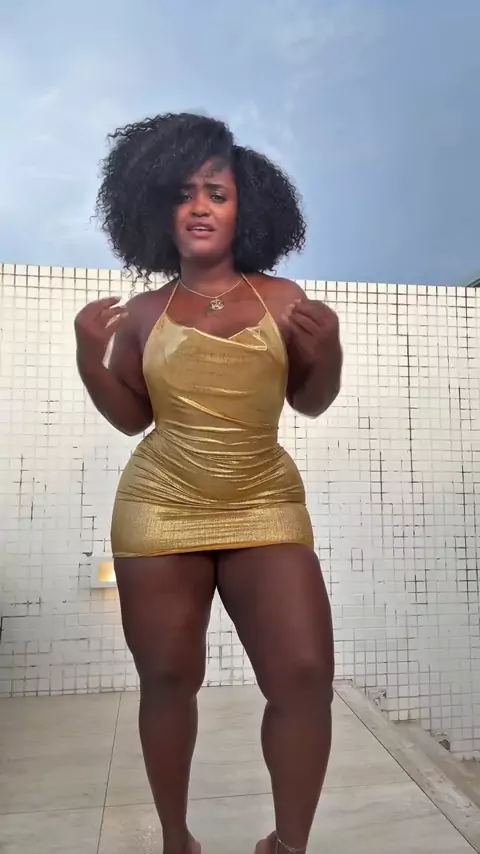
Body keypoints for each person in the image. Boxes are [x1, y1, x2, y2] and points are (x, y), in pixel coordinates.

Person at [75, 112, 342, 854]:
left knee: (304, 674)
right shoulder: (144, 313)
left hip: (264, 499)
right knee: (167, 677)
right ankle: (176, 840)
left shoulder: (282, 298)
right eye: (184, 193)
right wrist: (89, 359)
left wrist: (329, 354)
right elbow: (132, 418)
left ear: (244, 208)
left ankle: (288, 844)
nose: (199, 206)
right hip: (160, 505)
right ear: (157, 209)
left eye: (216, 193)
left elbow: (310, 401)